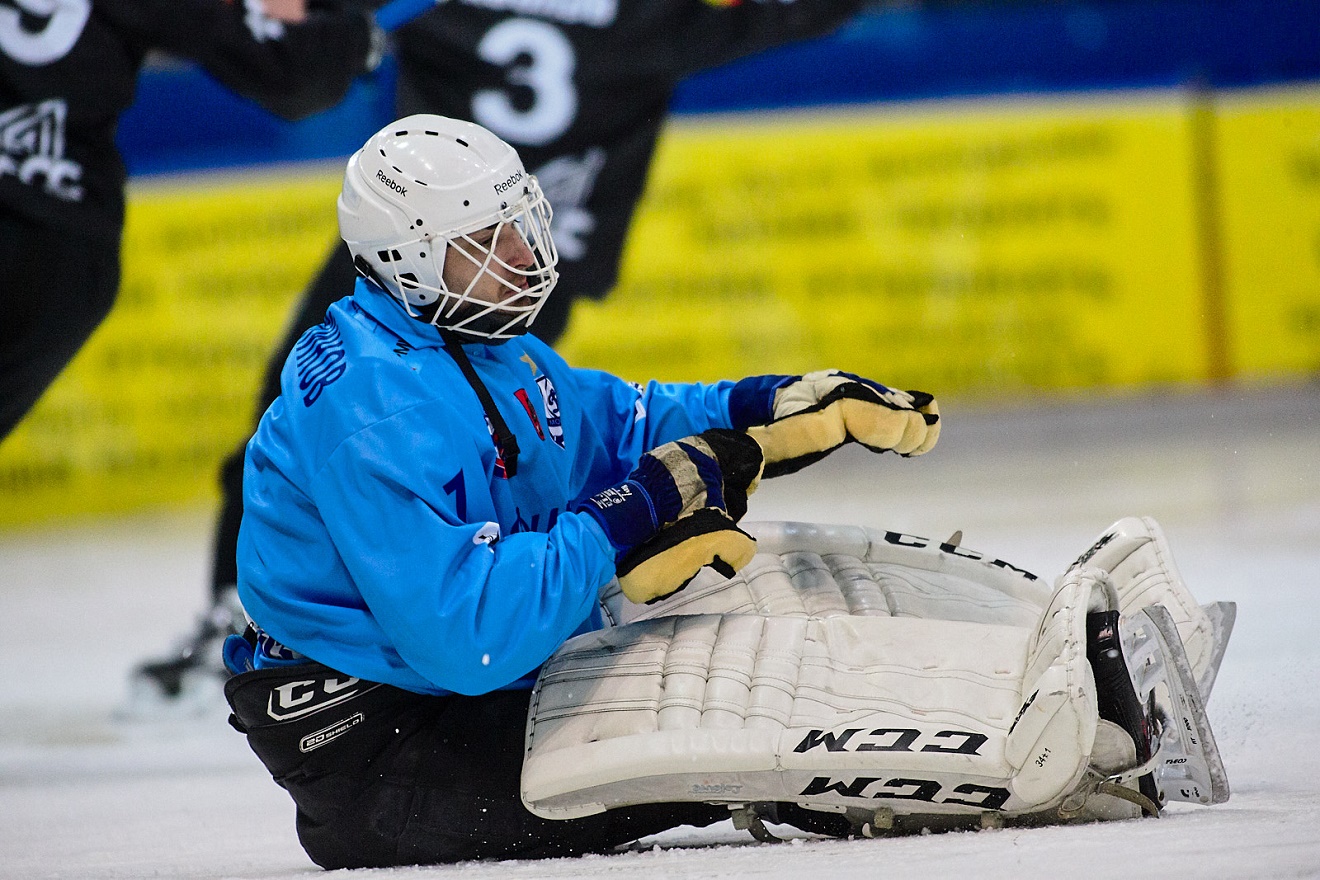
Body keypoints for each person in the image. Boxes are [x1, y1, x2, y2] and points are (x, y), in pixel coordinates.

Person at [220, 114, 948, 867]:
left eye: (518, 227)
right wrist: (622, 522)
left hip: (445, 695)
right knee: (727, 731)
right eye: (484, 245)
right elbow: (465, 641)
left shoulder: (471, 341)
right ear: (407, 261)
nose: (521, 256)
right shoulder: (379, 409)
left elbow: (609, 423)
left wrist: (763, 407)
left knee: (726, 631)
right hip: (381, 748)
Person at [130, 0, 878, 708]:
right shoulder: (647, 16)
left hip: (449, 257)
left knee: (493, 447)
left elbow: (303, 47)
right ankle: (314, 629)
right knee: (456, 451)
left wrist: (744, 412)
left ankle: (290, 615)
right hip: (511, 249)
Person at [0, 0, 384, 443]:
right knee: (296, 423)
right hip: (45, 223)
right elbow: (285, 70)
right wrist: (357, 37)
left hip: (45, 233)